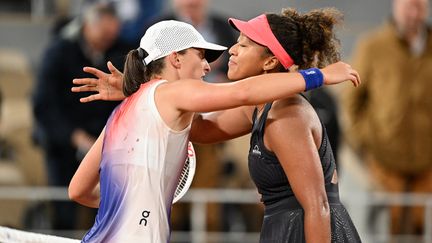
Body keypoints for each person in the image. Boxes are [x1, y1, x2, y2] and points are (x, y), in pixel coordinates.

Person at [72, 8, 362, 242]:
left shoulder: (285, 114)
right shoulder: (172, 95)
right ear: (175, 59)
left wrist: (135, 90)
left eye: (244, 45)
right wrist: (319, 76)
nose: (219, 60)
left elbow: (78, 191)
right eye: (201, 56)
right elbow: (228, 104)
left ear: (271, 61)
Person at [31, 2, 130, 229]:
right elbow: (44, 104)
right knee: (65, 211)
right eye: (103, 33)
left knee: (110, 212)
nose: (108, 38)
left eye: (112, 33)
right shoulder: (58, 52)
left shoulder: (123, 52)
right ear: (87, 25)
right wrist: (75, 137)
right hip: (63, 146)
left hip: (109, 144)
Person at [343, 0, 432, 238]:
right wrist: (363, 139)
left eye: (419, 6)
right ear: (395, 7)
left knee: (422, 230)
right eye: (408, 6)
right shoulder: (373, 46)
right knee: (383, 228)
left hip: (427, 164)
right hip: (383, 162)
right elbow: (351, 100)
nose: (414, 13)